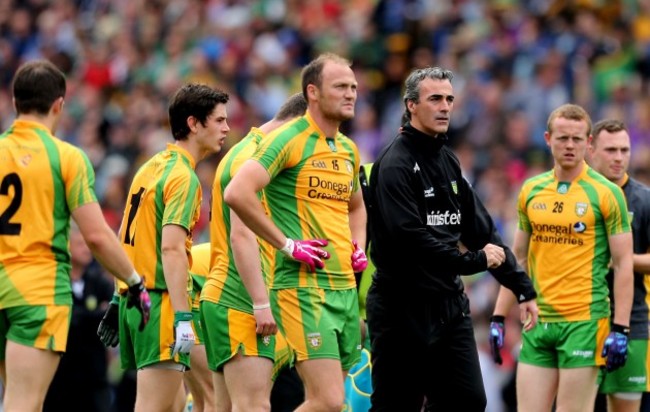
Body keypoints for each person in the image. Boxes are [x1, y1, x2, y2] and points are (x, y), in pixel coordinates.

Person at [364, 66, 538, 412]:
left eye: (449, 99)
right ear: (411, 105)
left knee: (467, 400)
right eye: (435, 99)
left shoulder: (448, 160)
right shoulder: (395, 163)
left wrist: (522, 288)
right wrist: (472, 262)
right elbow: (410, 238)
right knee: (398, 405)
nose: (445, 106)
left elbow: (482, 232)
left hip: (447, 306)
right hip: (402, 308)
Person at [0, 59, 151, 412]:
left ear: (13, 101)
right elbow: (96, 236)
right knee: (24, 404)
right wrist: (132, 280)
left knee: (10, 399)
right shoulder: (66, 157)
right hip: (36, 292)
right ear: (59, 105)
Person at [225, 52, 368, 411]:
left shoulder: (348, 149)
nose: (351, 93)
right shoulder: (289, 139)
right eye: (340, 87)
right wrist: (287, 245)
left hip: (344, 288)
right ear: (313, 92)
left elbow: (357, 206)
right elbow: (237, 192)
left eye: (353, 86)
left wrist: (358, 246)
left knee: (333, 402)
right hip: (304, 288)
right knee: (329, 401)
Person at [491, 104, 634, 412]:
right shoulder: (531, 190)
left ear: (589, 143)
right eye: (563, 138)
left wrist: (620, 328)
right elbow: (517, 259)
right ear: (547, 138)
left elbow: (623, 265)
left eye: (577, 139)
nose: (570, 145)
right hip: (537, 322)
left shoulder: (607, 193)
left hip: (584, 323)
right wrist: (499, 316)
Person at [116, 83, 229, 411]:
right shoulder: (183, 177)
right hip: (160, 305)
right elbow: (172, 250)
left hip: (135, 300)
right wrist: (182, 317)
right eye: (219, 120)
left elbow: (126, 237)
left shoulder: (150, 167)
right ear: (194, 124)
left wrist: (116, 294)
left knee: (176, 404)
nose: (227, 128)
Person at [201, 92, 307, 411]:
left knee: (225, 407)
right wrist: (261, 302)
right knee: (254, 406)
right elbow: (242, 235)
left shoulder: (243, 149)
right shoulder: (258, 157)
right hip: (240, 299)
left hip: (222, 295)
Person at [588, 119, 650, 412]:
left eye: (624, 150)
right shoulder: (577, 194)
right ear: (591, 149)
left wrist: (623, 261)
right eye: (610, 149)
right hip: (581, 320)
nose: (619, 157)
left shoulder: (645, 200)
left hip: (633, 323)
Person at [43, 223, 115, 412]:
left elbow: (112, 314)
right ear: (67, 245)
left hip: (94, 377)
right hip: (60, 377)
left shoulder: (98, 282)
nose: (86, 249)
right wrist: (96, 314)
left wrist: (81, 315)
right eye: (80, 244)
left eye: (87, 244)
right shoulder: (56, 282)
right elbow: (63, 319)